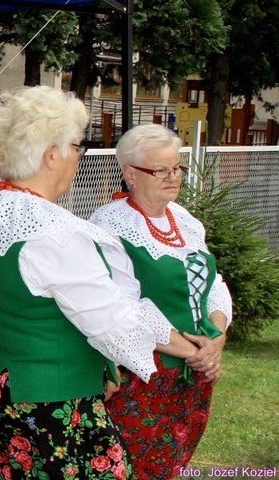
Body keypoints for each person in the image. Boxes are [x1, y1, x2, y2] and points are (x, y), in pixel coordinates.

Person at [0, 86, 201, 478]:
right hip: (45, 404)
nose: (78, 157)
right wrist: (191, 350)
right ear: (51, 155)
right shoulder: (55, 234)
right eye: (76, 146)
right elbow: (115, 323)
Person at [90, 124, 231, 480]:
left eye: (177, 168)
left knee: (173, 463)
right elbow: (125, 308)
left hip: (192, 371)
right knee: (133, 466)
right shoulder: (110, 225)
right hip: (141, 374)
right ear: (130, 174)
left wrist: (215, 342)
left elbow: (214, 284)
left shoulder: (184, 220)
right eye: (160, 170)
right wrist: (196, 353)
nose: (173, 177)